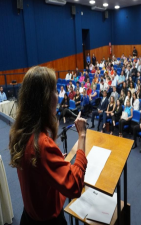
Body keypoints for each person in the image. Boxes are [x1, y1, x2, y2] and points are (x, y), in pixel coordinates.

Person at [9, 66, 87, 224]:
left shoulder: (18, 132)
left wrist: (55, 162)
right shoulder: (42, 144)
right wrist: (82, 135)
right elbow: (75, 186)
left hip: (29, 216)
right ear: (45, 98)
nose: (58, 96)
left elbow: (37, 173)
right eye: (55, 91)